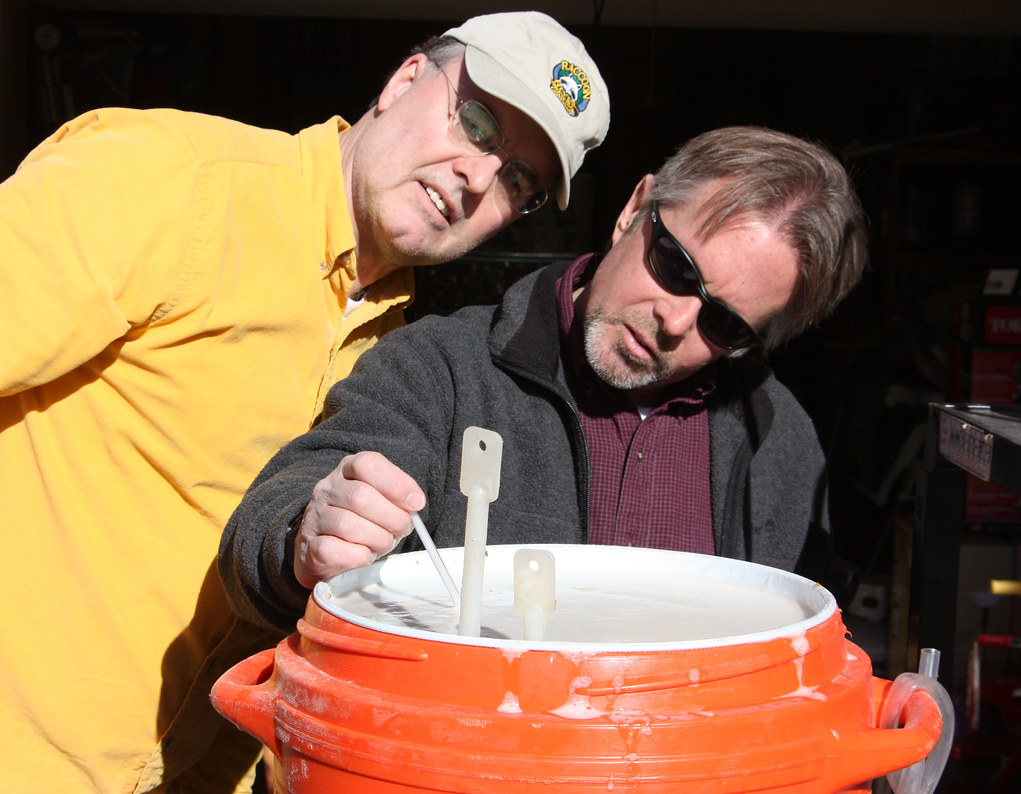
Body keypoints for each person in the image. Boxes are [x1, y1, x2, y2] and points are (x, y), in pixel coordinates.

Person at [0, 11, 609, 793]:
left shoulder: (396, 338)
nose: (478, 177)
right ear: (403, 81)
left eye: (517, 180)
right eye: (478, 122)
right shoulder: (175, 180)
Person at [219, 125, 868, 636]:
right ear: (634, 209)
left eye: (724, 323)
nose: (675, 320)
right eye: (674, 266)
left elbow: (800, 653)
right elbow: (261, 541)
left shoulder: (775, 439)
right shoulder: (441, 370)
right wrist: (305, 537)